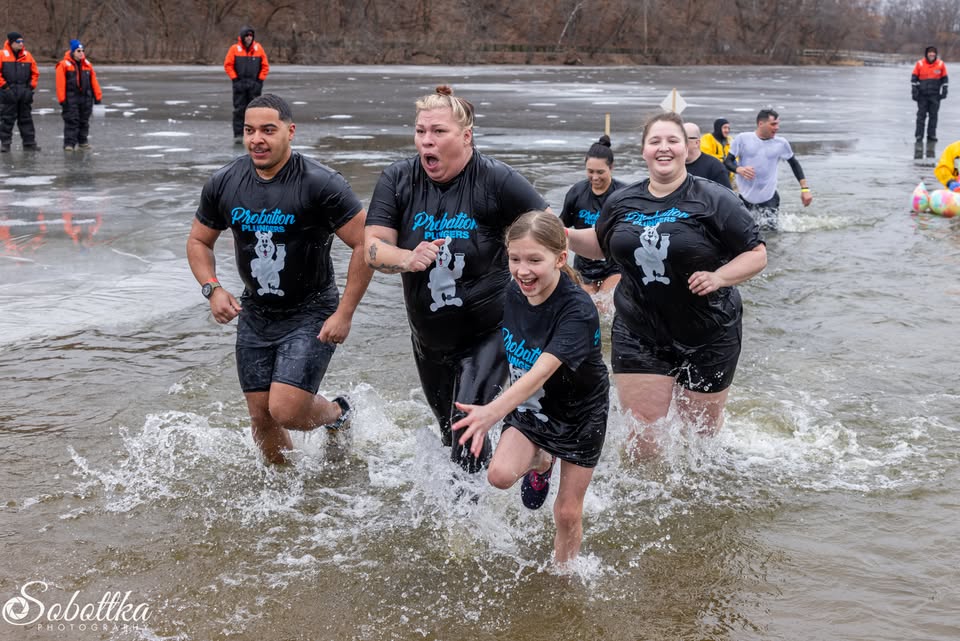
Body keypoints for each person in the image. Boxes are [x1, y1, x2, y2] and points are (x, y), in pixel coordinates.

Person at [364, 85, 549, 477]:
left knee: (466, 438)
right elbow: (373, 249)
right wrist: (407, 258)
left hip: (491, 330)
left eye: (438, 132)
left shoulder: (496, 180)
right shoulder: (398, 180)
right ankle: (530, 449)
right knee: (452, 438)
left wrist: (552, 294)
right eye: (420, 132)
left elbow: (551, 233)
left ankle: (469, 531)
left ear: (466, 137)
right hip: (430, 339)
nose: (426, 142)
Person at [186, 94, 373, 465]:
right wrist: (213, 288)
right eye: (249, 130)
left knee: (286, 409)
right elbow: (198, 241)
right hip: (256, 311)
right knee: (261, 417)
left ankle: (337, 414)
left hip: (311, 310)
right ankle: (285, 489)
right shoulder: (225, 182)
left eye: (268, 130)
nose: (257, 139)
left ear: (290, 132)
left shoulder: (320, 183)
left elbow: (366, 244)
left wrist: (345, 312)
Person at [567, 112, 767, 460]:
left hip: (709, 332)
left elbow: (756, 254)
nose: (664, 148)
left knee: (700, 443)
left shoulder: (715, 198)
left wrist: (719, 277)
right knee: (642, 440)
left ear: (686, 148)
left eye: (672, 140)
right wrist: (559, 235)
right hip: (640, 330)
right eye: (655, 141)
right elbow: (600, 244)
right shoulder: (621, 201)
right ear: (643, 150)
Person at [452, 211, 608, 565]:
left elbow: (540, 372)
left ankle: (563, 577)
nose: (523, 270)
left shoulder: (577, 310)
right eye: (515, 259)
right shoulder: (511, 291)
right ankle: (541, 459)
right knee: (499, 476)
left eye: (535, 260)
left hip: (581, 413)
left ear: (560, 258)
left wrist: (492, 411)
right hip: (533, 406)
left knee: (566, 512)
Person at [559, 135, 626, 302]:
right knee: (587, 305)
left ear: (611, 167)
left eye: (600, 172)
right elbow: (560, 227)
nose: (595, 177)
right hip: (584, 265)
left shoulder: (623, 195)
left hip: (614, 264)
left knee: (605, 304)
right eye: (590, 172)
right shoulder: (577, 193)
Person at [723, 108, 812, 231]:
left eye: (778, 124)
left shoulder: (781, 143)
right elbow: (727, 161)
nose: (777, 127)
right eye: (773, 124)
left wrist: (805, 189)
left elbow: (795, 164)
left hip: (769, 196)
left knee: (771, 236)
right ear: (761, 123)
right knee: (744, 231)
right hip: (745, 196)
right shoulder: (743, 139)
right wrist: (739, 169)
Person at [224, 26, 269, 145]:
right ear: (243, 37)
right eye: (247, 35)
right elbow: (228, 65)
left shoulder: (258, 48)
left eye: (251, 36)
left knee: (255, 111)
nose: (249, 38)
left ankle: (255, 134)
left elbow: (265, 66)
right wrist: (235, 79)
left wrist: (259, 81)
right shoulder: (234, 49)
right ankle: (238, 135)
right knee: (239, 110)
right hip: (239, 84)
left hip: (254, 85)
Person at [55, 39, 102, 152]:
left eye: (82, 50)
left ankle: (82, 142)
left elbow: (94, 81)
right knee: (72, 121)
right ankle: (69, 144)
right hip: (71, 98)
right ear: (72, 52)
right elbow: (60, 84)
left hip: (86, 98)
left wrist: (97, 96)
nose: (81, 53)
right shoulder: (63, 65)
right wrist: (62, 100)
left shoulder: (87, 65)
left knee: (84, 121)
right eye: (78, 51)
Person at [0, 32, 40, 152]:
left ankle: (29, 143)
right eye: (18, 42)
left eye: (22, 41)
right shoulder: (2, 55)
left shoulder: (27, 56)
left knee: (26, 119)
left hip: (24, 94)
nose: (21, 44)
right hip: (8, 94)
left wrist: (30, 88)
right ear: (11, 43)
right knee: (6, 120)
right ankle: (5, 144)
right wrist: (5, 87)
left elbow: (35, 73)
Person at [911, 46, 948, 143]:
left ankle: (931, 135)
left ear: (935, 54)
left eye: (933, 52)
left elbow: (945, 79)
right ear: (926, 53)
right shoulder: (920, 64)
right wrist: (914, 91)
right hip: (922, 95)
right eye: (930, 52)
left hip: (935, 96)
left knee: (933, 116)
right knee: (921, 116)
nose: (932, 54)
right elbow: (914, 79)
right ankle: (919, 135)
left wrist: (944, 90)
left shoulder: (940, 64)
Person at [683, 123, 731, 189]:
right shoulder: (672, 165)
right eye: (674, 140)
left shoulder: (715, 168)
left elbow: (727, 197)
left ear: (697, 143)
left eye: (684, 140)